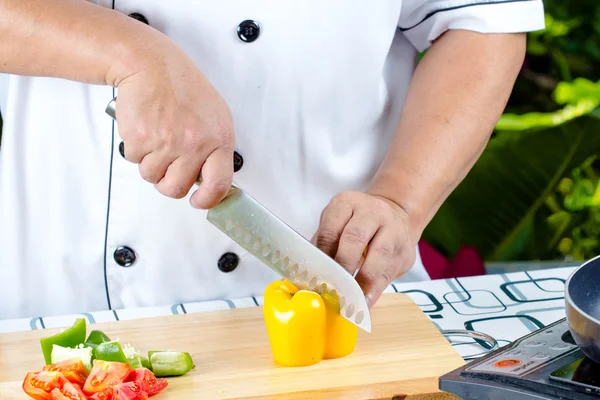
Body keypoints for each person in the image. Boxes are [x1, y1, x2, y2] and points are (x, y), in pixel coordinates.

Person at [0, 0, 545, 320]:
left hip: (337, 299)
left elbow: (483, 22)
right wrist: (130, 54)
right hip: (67, 306)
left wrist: (400, 197)